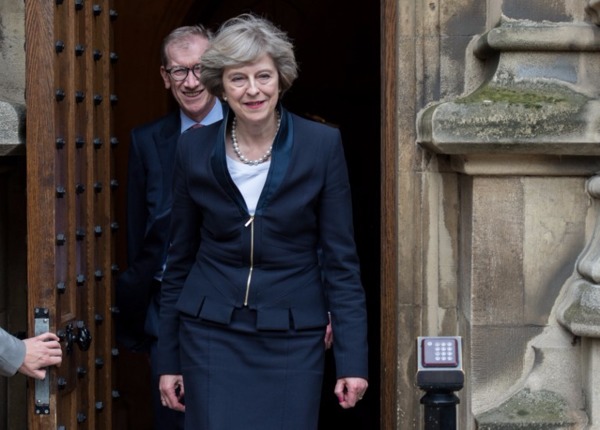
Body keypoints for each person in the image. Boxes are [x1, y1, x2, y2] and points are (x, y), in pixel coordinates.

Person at [157, 14, 368, 429]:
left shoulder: (322, 146)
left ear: (281, 79)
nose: (253, 90)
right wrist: (168, 358)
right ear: (221, 85)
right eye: (238, 79)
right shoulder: (192, 148)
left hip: (292, 333)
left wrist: (352, 361)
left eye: (263, 76)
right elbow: (178, 258)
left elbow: (343, 262)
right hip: (210, 333)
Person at [115, 24, 223, 430]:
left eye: (201, 69)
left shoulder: (249, 127)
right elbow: (138, 231)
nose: (191, 82)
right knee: (173, 418)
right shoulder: (146, 141)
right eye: (179, 71)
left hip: (234, 299)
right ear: (165, 77)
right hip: (167, 309)